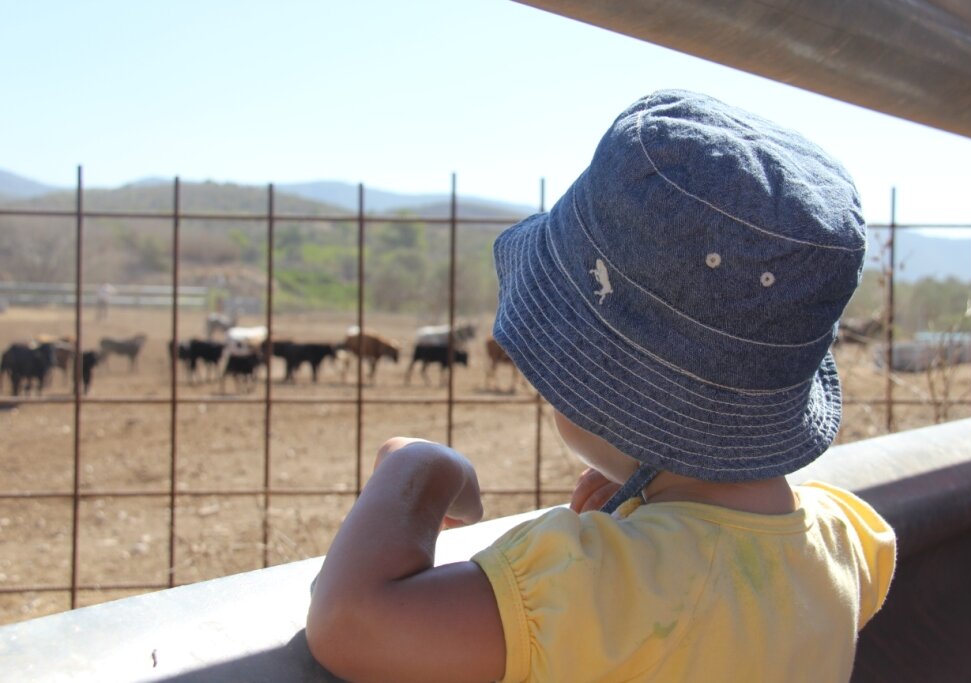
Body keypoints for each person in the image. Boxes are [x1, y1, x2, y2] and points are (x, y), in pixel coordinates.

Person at [306, 90, 897, 682]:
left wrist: (421, 466)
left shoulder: (595, 587)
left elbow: (351, 621)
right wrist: (646, 499)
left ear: (601, 385)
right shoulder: (848, 538)